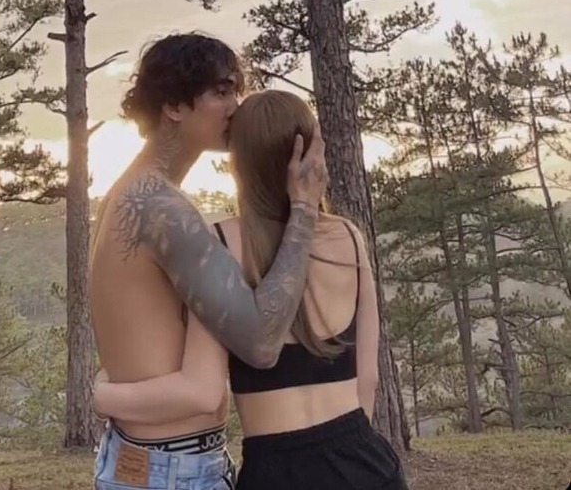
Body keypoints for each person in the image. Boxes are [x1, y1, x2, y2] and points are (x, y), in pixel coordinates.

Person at [94, 89, 410, 490]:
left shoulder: (223, 243)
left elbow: (203, 386)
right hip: (364, 459)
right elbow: (368, 380)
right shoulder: (349, 237)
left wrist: (102, 396)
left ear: (238, 162)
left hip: (276, 470)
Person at [89, 36, 328, 490]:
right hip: (169, 470)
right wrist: (304, 209)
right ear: (174, 106)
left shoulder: (132, 192)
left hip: (149, 461)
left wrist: (104, 395)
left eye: (236, 91)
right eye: (221, 92)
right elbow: (261, 342)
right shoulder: (159, 208)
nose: (235, 108)